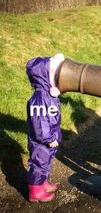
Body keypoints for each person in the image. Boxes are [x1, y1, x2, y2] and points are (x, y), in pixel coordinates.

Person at [26, 53, 65, 202]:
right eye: (54, 75)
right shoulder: (40, 98)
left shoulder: (49, 95)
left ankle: (42, 183)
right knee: (39, 163)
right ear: (44, 76)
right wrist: (48, 138)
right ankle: (35, 191)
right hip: (41, 141)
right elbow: (40, 122)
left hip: (49, 139)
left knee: (46, 161)